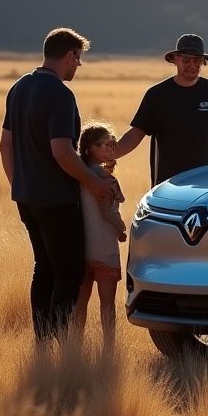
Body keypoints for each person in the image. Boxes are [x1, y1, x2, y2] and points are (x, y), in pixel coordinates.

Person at [0, 27, 116, 343]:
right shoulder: (60, 94)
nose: (78, 66)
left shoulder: (19, 87)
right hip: (57, 201)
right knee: (69, 273)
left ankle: (43, 344)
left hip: (26, 198)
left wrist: (19, 184)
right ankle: (60, 345)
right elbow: (62, 150)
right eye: (78, 60)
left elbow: (4, 145)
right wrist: (93, 181)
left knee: (44, 268)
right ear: (69, 56)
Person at [116, 34, 208, 185]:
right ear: (175, 59)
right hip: (167, 184)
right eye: (186, 60)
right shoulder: (157, 95)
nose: (192, 65)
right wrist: (107, 156)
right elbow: (135, 134)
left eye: (198, 61)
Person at [74, 123, 127, 348]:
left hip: (82, 248)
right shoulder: (105, 180)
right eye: (101, 144)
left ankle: (75, 347)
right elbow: (108, 212)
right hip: (104, 247)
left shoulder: (77, 175)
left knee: (80, 304)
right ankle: (108, 348)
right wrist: (121, 228)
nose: (107, 148)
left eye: (111, 144)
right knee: (107, 306)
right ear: (88, 148)